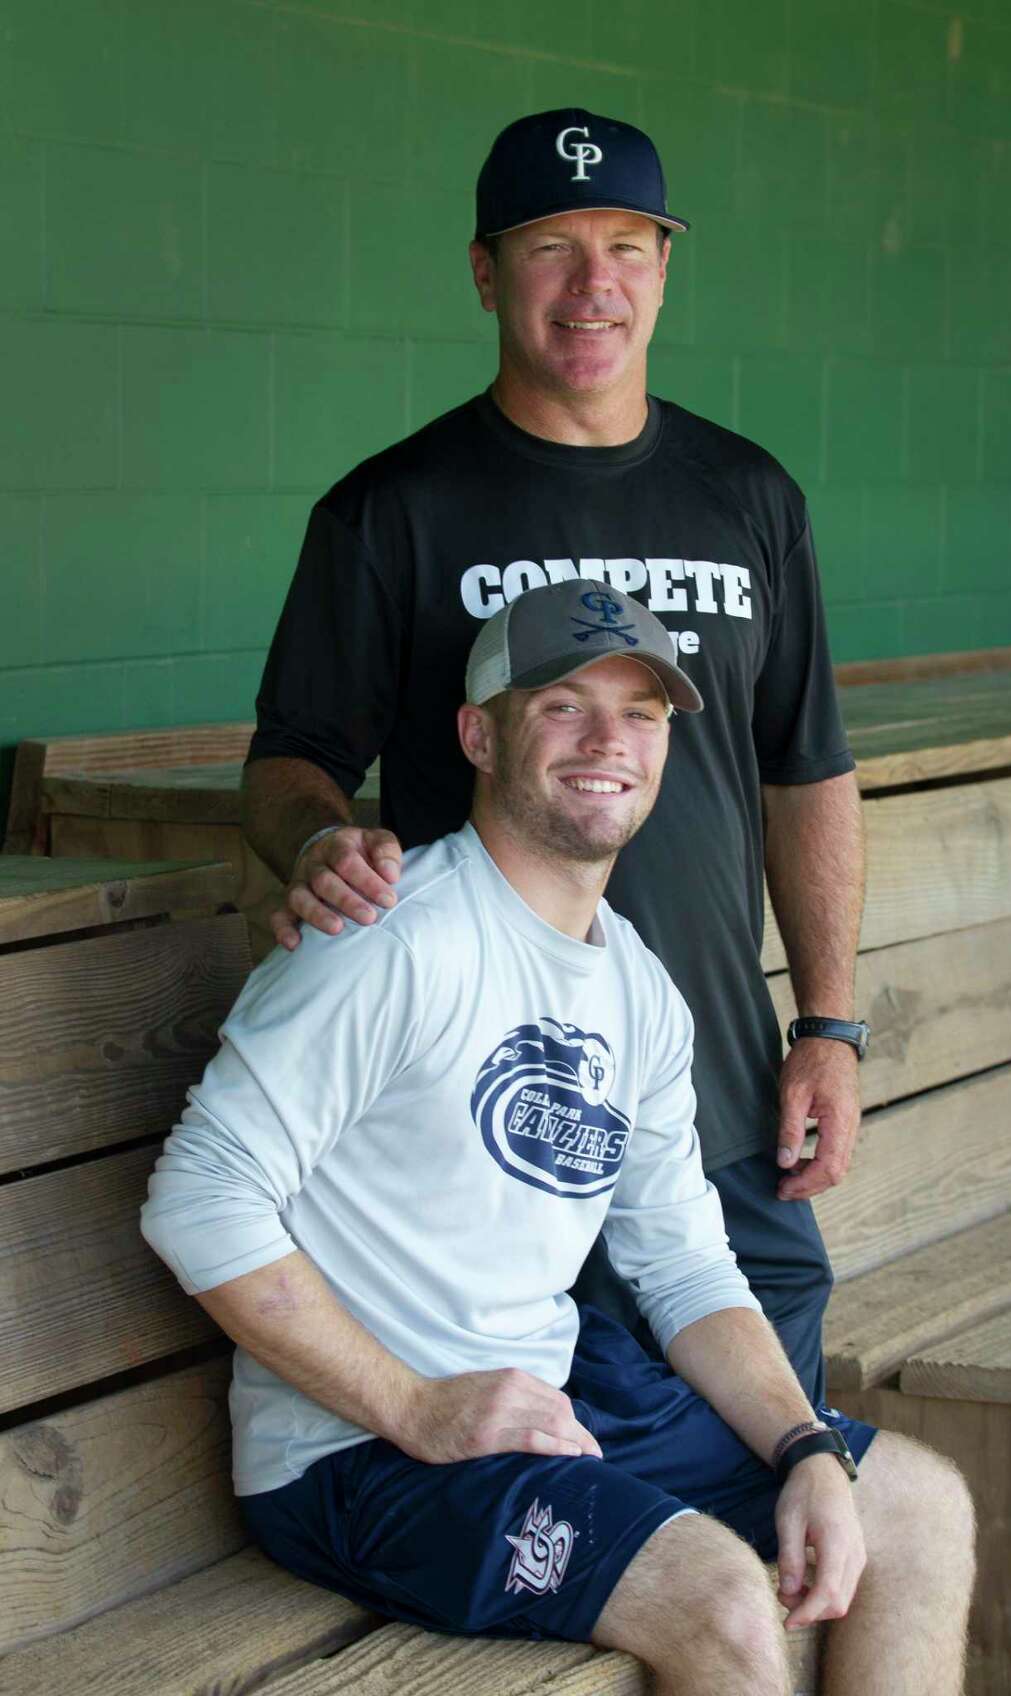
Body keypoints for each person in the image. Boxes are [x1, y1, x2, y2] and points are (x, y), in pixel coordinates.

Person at [144, 583, 974, 1695]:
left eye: (641, 713)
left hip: (541, 1395)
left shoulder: (636, 989)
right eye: (563, 707)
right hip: (356, 1452)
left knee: (918, 1506)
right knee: (724, 1596)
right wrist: (413, 1404)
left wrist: (804, 1448)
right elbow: (198, 1197)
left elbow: (683, 1265)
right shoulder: (388, 938)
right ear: (478, 734)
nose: (608, 742)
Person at [243, 108, 865, 1479]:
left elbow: (804, 769)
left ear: (662, 269)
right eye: (551, 248)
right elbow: (289, 759)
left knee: (790, 1499)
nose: (594, 282)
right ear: (485, 272)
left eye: (627, 246)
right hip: (491, 1131)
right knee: (607, 1541)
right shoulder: (391, 512)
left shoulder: (751, 497)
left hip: (718, 1095)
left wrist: (828, 1022)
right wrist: (320, 838)